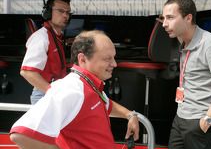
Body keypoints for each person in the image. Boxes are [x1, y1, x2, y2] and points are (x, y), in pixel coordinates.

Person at [9, 30, 139, 149]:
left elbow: (106, 103)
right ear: (82, 59)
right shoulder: (70, 88)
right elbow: (22, 135)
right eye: (107, 59)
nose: (114, 64)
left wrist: (129, 115)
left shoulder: (89, 85)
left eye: (114, 57)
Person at [159, 0, 211, 149]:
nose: (164, 24)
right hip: (181, 117)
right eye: (163, 18)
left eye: (170, 18)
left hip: (200, 121)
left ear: (188, 18)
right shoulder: (183, 41)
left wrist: (208, 120)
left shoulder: (210, 43)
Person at [20, 0, 71, 104]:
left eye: (68, 12)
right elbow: (27, 72)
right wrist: (53, 92)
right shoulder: (41, 37)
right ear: (47, 13)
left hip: (55, 92)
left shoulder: (56, 37)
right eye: (61, 11)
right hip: (45, 94)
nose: (65, 15)